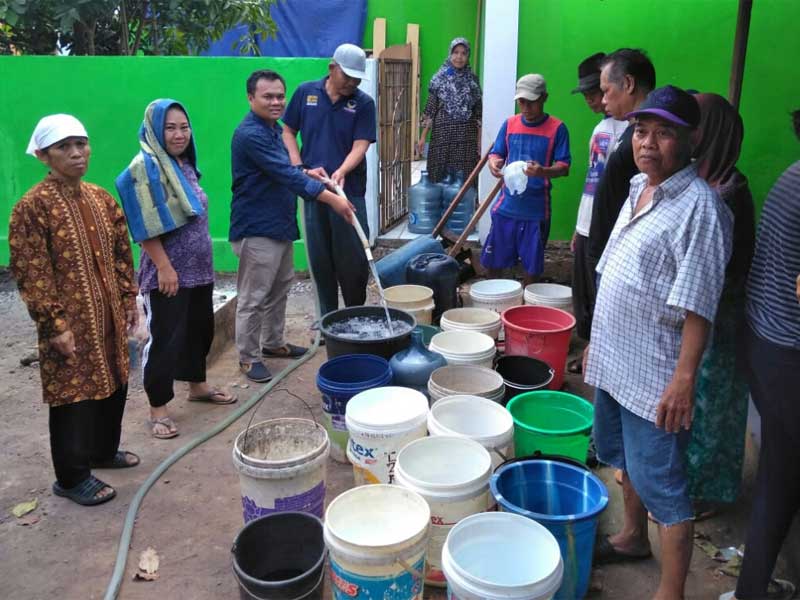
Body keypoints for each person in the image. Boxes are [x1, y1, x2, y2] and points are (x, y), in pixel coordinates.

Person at [584, 86, 732, 600]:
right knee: (622, 460)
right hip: (615, 362)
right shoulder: (637, 189)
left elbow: (698, 307)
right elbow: (617, 274)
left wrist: (683, 382)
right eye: (642, 131)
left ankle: (670, 592)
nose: (648, 142)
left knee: (666, 492)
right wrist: (595, 344)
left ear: (690, 140)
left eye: (664, 132)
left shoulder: (701, 210)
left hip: (655, 377)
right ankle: (630, 538)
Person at [9, 114, 140, 505]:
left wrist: (129, 298)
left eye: (81, 143)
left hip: (110, 316)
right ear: (44, 155)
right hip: (68, 324)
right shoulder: (32, 207)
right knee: (73, 397)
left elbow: (121, 253)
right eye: (63, 147)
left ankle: (102, 452)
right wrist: (55, 325)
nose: (76, 153)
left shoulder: (100, 198)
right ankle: (71, 477)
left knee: (115, 381)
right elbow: (32, 270)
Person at [116, 99, 236, 440]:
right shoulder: (146, 168)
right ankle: (158, 408)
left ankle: (197, 386)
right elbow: (143, 226)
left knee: (199, 330)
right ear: (154, 130)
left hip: (198, 269)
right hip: (167, 273)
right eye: (170, 127)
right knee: (164, 339)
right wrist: (165, 267)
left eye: (184, 127)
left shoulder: (181, 164)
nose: (179, 134)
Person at [720, 109, 800, 600]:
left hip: (767, 342)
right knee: (781, 478)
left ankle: (753, 586)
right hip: (786, 352)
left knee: (780, 474)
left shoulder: (792, 174)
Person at [231, 69, 356, 383]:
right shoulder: (251, 134)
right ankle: (248, 357)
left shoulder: (271, 129)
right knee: (254, 295)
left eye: (279, 96)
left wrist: (308, 173)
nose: (276, 102)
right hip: (257, 226)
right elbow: (285, 175)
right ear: (250, 98)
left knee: (279, 287)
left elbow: (286, 169)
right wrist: (332, 199)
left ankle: (273, 343)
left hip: (279, 223)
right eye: (267, 96)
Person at [685, 93, 755, 518]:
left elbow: (723, 267)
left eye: (693, 126)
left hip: (721, 315)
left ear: (712, 133)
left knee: (713, 405)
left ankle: (705, 492)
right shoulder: (708, 182)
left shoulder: (729, 193)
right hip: (705, 312)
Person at [282, 43, 376, 317]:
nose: (352, 82)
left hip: (349, 191)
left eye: (357, 78)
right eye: (347, 76)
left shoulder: (363, 103)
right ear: (332, 68)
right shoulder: (305, 93)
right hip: (313, 189)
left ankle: (354, 316)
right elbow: (288, 131)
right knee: (320, 258)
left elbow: (361, 145)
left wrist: (342, 171)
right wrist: (298, 166)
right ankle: (328, 320)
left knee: (353, 258)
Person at [481, 74, 570, 286]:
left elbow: (564, 167)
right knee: (493, 263)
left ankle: (524, 310)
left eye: (532, 102)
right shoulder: (510, 124)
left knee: (532, 268)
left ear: (544, 98)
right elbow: (496, 153)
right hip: (506, 207)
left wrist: (543, 171)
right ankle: (493, 304)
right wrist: (493, 163)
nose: (526, 108)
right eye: (522, 102)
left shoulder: (557, 128)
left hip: (536, 211)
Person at [569, 52, 629, 368]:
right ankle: (591, 349)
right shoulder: (601, 130)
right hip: (587, 226)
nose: (595, 100)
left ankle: (600, 356)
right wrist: (578, 228)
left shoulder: (635, 134)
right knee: (585, 299)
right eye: (592, 95)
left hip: (610, 229)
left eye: (600, 92)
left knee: (605, 295)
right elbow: (591, 183)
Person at [587, 48, 656, 273]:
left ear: (628, 83)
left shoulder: (646, 145)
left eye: (606, 91)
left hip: (620, 259)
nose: (603, 100)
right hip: (607, 251)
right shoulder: (630, 132)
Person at [416, 37, 482, 182]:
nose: (459, 57)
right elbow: (431, 109)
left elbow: (478, 113)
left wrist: (479, 140)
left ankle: (464, 202)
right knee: (440, 173)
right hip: (442, 136)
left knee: (465, 176)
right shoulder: (439, 78)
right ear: (450, 54)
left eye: (463, 53)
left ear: (468, 55)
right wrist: (422, 138)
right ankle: (441, 203)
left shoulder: (473, 80)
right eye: (456, 52)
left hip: (466, 137)